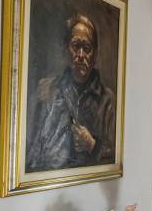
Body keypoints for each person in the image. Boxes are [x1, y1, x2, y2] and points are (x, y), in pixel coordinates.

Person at [26, 14, 115, 171]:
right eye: (75, 46)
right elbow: (31, 147)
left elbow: (118, 154)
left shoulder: (107, 100)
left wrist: (93, 145)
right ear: (65, 50)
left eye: (86, 48)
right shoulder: (47, 89)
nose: (80, 55)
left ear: (94, 56)